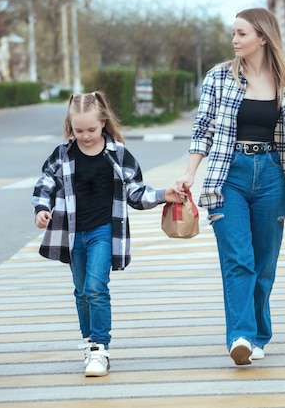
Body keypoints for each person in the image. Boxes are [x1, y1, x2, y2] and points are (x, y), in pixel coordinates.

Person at [175, 7, 285, 366]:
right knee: (239, 259)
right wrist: (190, 173)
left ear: (262, 38)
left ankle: (257, 335)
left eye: (242, 34)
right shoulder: (218, 78)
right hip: (229, 175)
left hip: (272, 175)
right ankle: (240, 336)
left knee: (264, 264)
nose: (234, 40)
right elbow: (202, 128)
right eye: (233, 33)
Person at [32, 91, 183, 377]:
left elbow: (136, 193)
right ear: (70, 126)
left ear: (103, 122)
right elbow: (45, 183)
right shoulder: (63, 153)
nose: (85, 136)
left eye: (91, 129)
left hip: (104, 231)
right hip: (72, 233)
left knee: (95, 288)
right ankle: (90, 343)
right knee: (81, 292)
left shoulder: (118, 155)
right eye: (78, 130)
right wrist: (41, 208)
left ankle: (101, 348)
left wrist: (165, 194)